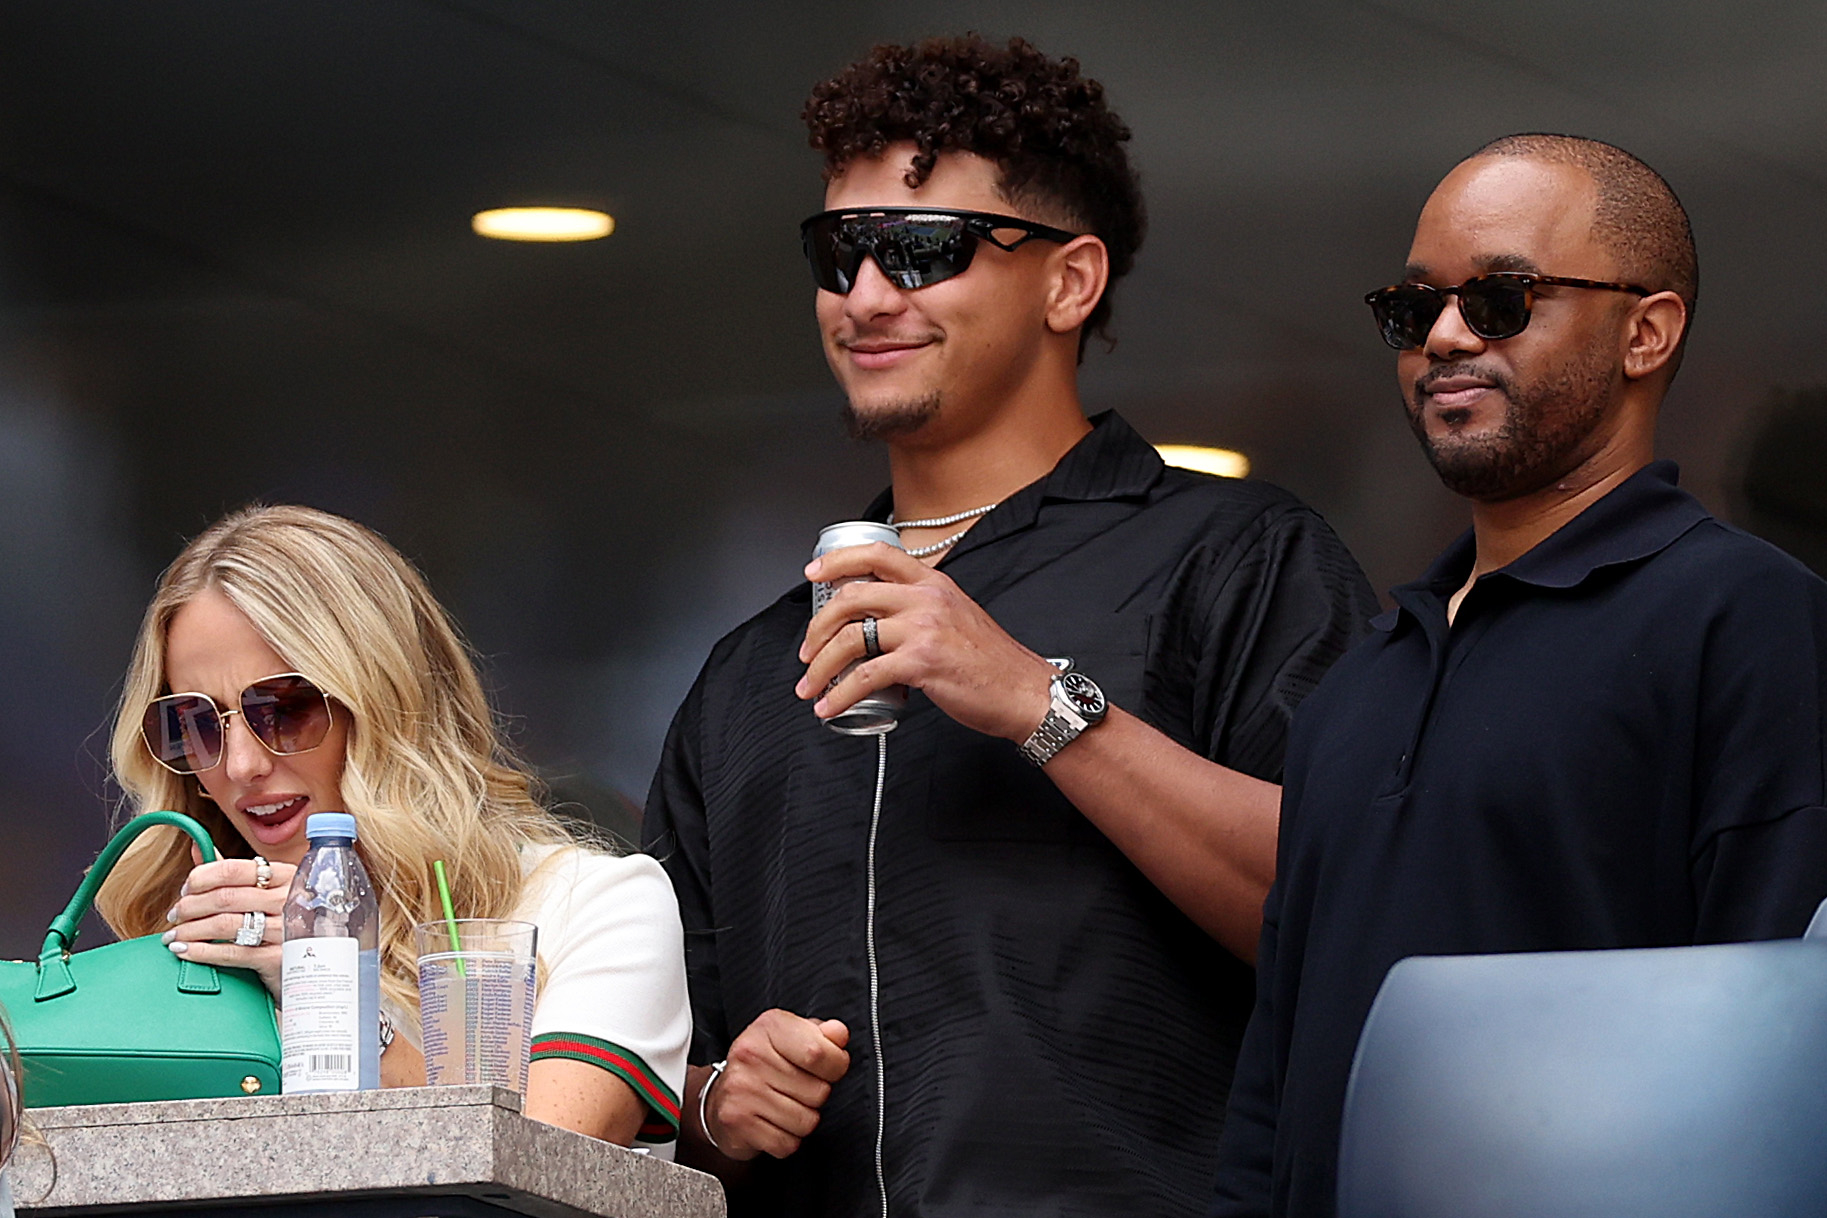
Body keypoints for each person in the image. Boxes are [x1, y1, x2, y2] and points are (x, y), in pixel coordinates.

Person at [644, 35, 1377, 1217]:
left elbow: (1357, 907)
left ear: (1069, 281)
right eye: (840, 253)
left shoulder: (1236, 557)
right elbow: (636, 1064)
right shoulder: (744, 674)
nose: (868, 295)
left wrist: (1045, 704)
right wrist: (714, 1097)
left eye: (921, 250)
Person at [1208, 134, 1827, 1218]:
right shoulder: (1358, 690)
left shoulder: (1747, 618)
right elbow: (1274, 1083)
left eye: (1500, 298)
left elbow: (1785, 1043)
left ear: (1646, 331)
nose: (1444, 336)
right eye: (1413, 310)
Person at [96, 505, 691, 1152]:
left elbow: (543, 1166)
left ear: (385, 700)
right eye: (196, 722)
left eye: (285, 709)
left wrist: (329, 994)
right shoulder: (187, 948)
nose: (241, 765)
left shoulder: (596, 903)